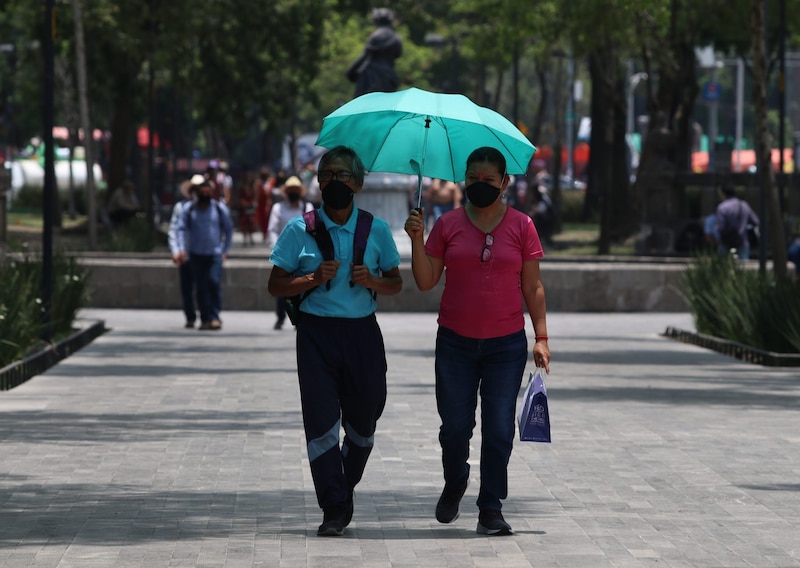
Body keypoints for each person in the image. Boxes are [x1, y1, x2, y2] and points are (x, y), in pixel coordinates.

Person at [403, 146, 551, 537]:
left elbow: (532, 285)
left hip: (505, 346)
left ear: (504, 183)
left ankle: (491, 507)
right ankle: (455, 481)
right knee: (455, 428)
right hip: (455, 344)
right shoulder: (448, 224)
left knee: (499, 428)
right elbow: (425, 280)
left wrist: (542, 337)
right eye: (473, 178)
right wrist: (417, 240)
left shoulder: (522, 226)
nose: (479, 185)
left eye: (489, 180)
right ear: (463, 179)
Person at [267, 146, 402, 536]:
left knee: (366, 418)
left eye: (343, 175)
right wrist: (311, 278)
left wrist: (372, 280)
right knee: (321, 420)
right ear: (318, 183)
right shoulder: (300, 229)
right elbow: (275, 284)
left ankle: (344, 483)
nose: (335, 182)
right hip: (316, 335)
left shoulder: (374, 229)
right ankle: (333, 505)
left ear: (357, 183)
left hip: (362, 335)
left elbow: (396, 283)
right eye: (327, 175)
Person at [175, 178, 234, 331]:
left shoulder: (219, 209)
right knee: (201, 287)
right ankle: (205, 318)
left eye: (208, 192)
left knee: (214, 283)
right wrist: (181, 249)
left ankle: (215, 316)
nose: (205, 195)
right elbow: (180, 229)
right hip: (195, 254)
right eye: (202, 192)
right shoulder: (189, 209)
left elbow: (228, 229)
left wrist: (225, 249)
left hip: (214, 254)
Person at [267, 175, 315, 330]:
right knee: (283, 285)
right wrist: (278, 249)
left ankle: (299, 317)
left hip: (303, 254)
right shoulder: (278, 208)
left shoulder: (307, 208)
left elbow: (314, 230)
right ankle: (280, 317)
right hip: (285, 255)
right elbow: (272, 230)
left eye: (296, 190)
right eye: (291, 190)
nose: (293, 192)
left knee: (301, 286)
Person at [167, 175, 202, 328]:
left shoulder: (210, 207)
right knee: (187, 288)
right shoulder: (180, 208)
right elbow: (174, 230)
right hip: (185, 254)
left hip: (202, 254)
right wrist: (176, 250)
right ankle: (190, 316)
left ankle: (207, 314)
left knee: (204, 286)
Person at [345, 7, 403, 97]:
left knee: (364, 103)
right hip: (389, 76)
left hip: (372, 75)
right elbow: (398, 54)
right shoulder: (396, 38)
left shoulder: (375, 36)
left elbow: (365, 55)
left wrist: (351, 71)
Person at [715, 184, 759, 260]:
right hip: (742, 240)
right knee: (744, 266)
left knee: (721, 265)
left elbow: (721, 227)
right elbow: (755, 221)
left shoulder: (722, 207)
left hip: (726, 241)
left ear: (723, 194)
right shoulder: (744, 205)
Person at [237, 173, 258, 246]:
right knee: (244, 223)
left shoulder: (252, 188)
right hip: (244, 207)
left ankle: (251, 237)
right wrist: (244, 203)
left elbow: (255, 197)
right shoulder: (242, 187)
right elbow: (240, 197)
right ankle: (245, 239)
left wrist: (252, 203)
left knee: (251, 223)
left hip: (250, 207)